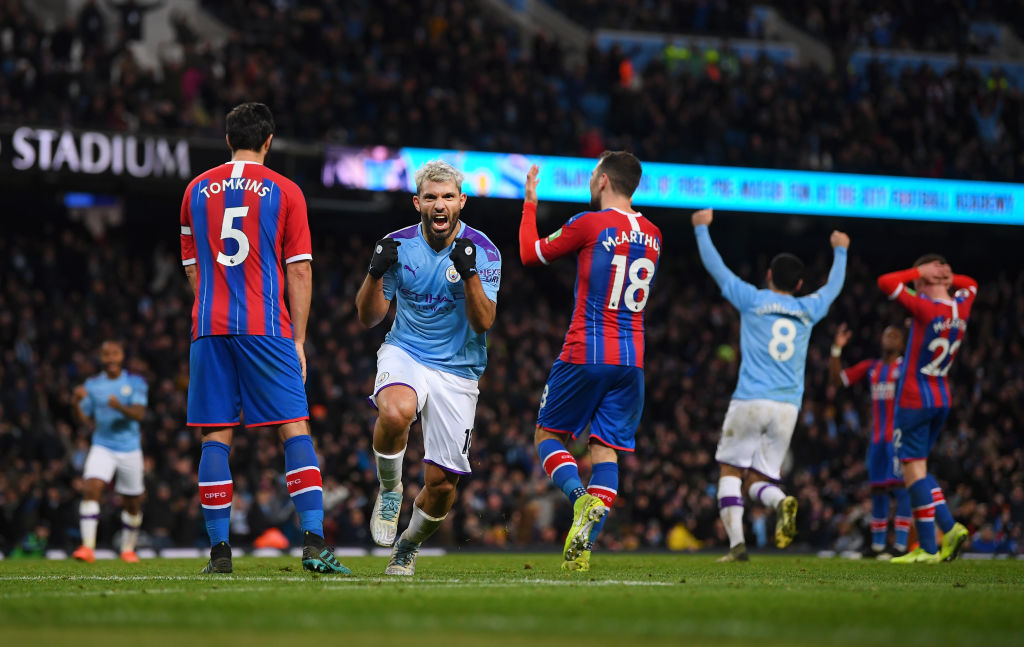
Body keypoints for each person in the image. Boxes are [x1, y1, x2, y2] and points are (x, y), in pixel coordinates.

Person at [179, 102, 349, 575]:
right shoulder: (285, 190)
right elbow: (300, 269)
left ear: (227, 139)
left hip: (209, 327)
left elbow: (192, 266)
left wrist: (212, 305)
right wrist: (297, 338)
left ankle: (219, 555)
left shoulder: (195, 190)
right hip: (267, 326)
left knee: (216, 435)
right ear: (269, 140)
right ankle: (314, 543)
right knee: (294, 427)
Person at [518, 152, 662, 572]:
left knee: (547, 436)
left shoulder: (590, 223)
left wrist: (530, 202)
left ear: (602, 180)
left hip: (587, 350)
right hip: (632, 359)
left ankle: (581, 502)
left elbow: (530, 254)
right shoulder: (653, 234)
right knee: (606, 450)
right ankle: (582, 550)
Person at [356, 160, 501, 576]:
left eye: (448, 197)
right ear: (417, 202)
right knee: (395, 410)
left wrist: (469, 271)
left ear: (462, 201)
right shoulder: (397, 245)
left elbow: (483, 322)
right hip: (407, 351)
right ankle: (389, 490)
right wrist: (374, 271)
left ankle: (407, 545)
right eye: (432, 197)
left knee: (441, 488)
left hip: (459, 370)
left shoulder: (484, 250)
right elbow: (369, 318)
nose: (440, 205)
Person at [692, 209, 848, 562]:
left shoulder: (752, 299)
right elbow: (834, 287)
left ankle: (736, 546)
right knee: (760, 478)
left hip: (750, 399)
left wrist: (701, 230)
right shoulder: (810, 307)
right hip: (788, 407)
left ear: (767, 277)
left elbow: (717, 268)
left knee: (731, 471)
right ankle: (780, 501)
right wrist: (841, 251)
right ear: (798, 285)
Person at [877, 255, 977, 563]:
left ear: (921, 282)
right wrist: (948, 277)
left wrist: (920, 272)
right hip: (941, 397)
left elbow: (886, 281)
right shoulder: (962, 304)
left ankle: (946, 530)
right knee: (918, 468)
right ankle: (930, 546)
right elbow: (971, 283)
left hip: (913, 398)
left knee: (912, 471)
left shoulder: (923, 308)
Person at [829, 323, 912, 558]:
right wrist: (836, 349)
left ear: (903, 343)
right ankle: (877, 546)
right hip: (876, 439)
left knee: (900, 489)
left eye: (895, 335)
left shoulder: (905, 368)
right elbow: (837, 380)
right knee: (877, 490)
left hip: (897, 437)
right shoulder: (872, 368)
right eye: (886, 334)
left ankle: (901, 545)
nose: (889, 338)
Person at [71, 340, 148, 563]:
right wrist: (76, 403)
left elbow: (140, 414)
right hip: (102, 446)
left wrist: (119, 407)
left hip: (130, 448)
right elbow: (83, 420)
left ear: (122, 356)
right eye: (106, 354)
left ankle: (127, 548)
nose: (111, 358)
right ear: (101, 358)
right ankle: (87, 548)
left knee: (132, 503)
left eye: (115, 353)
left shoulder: (135, 382)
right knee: (91, 487)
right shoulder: (93, 385)